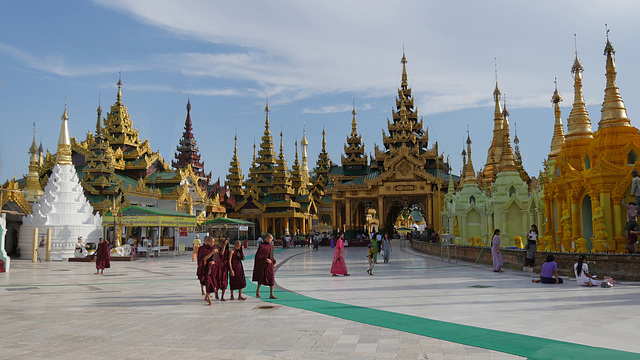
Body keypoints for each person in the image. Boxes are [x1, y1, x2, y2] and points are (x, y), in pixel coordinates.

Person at [253, 233, 277, 299]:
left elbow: (271, 256)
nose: (271, 240)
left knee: (271, 280)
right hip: (263, 265)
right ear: (266, 238)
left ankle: (271, 294)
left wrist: (273, 262)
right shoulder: (262, 246)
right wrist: (265, 259)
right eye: (270, 238)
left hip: (269, 266)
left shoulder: (271, 246)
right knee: (261, 279)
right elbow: (258, 256)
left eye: (272, 238)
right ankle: (257, 290)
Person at [196, 236, 218, 305]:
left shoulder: (214, 248)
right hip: (205, 268)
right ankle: (208, 297)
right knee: (208, 282)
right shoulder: (203, 249)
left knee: (212, 282)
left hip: (212, 268)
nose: (212, 243)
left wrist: (214, 262)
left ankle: (206, 296)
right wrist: (211, 253)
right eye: (211, 242)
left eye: (213, 242)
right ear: (207, 242)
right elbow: (204, 259)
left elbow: (218, 259)